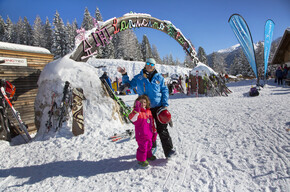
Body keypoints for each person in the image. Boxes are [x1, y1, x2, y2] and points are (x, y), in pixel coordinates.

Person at [117, 58, 176, 158]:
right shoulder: (139, 77)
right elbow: (130, 85)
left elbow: (164, 90)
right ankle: (150, 149)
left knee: (162, 129)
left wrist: (165, 105)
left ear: (154, 66)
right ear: (145, 65)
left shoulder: (159, 78)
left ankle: (169, 151)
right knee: (148, 131)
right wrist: (124, 75)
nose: (150, 65)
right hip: (145, 109)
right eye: (148, 63)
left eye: (152, 64)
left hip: (158, 107)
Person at [128, 95, 157, 167]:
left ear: (147, 103)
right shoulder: (137, 113)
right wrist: (137, 110)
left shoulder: (149, 112)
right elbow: (132, 118)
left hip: (149, 134)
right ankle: (141, 160)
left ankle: (149, 155)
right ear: (137, 103)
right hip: (141, 135)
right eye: (140, 102)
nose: (142, 103)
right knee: (142, 148)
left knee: (149, 146)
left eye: (144, 102)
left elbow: (151, 122)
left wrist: (154, 131)